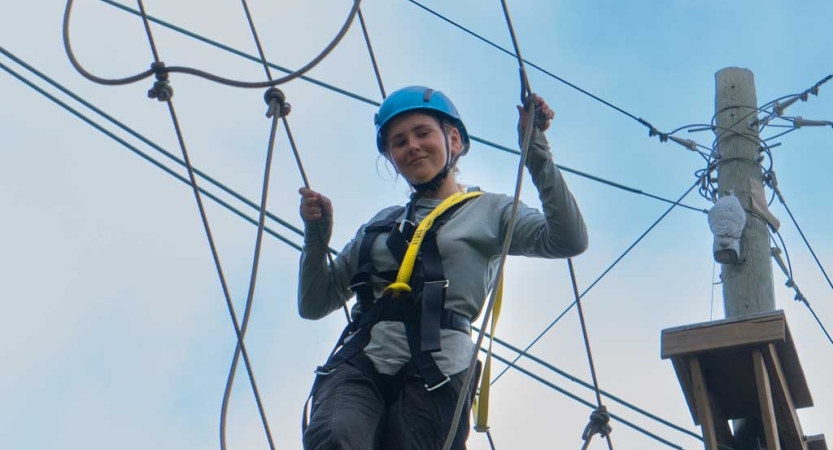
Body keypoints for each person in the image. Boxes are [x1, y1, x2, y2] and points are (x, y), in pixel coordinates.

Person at [297, 85, 588, 450]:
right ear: (391, 157)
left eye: (422, 133)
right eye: (399, 142)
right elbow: (314, 303)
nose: (412, 146)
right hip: (362, 363)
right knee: (335, 437)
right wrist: (316, 238)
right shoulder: (381, 226)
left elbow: (568, 239)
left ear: (453, 139)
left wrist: (536, 152)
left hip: (437, 368)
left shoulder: (490, 211)